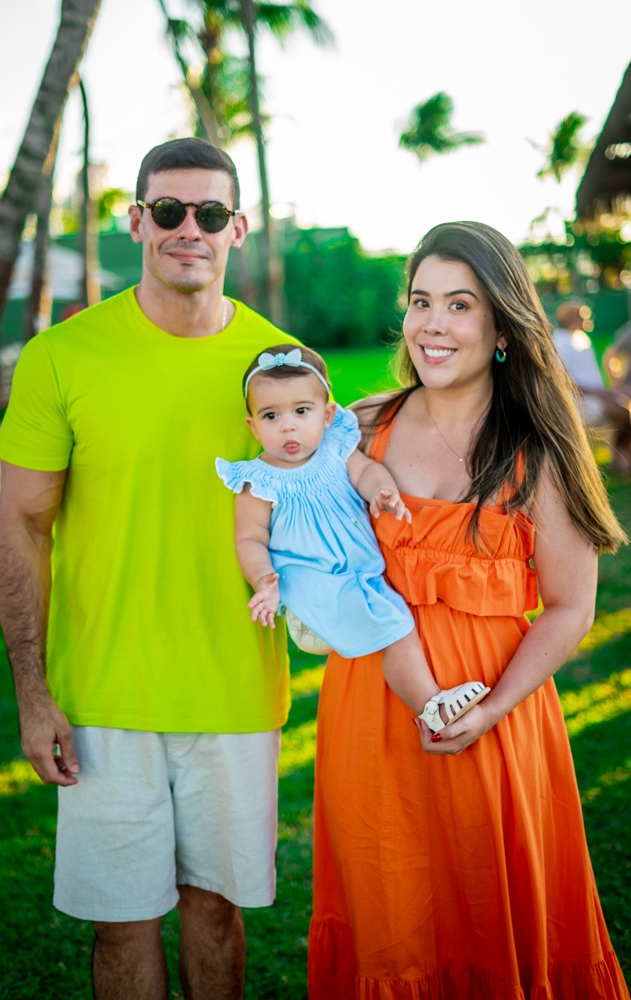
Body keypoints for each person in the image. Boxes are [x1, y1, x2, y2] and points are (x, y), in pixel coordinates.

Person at [0, 138, 300, 1000]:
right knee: (120, 923)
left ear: (237, 227)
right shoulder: (64, 355)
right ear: (136, 221)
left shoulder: (282, 367)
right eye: (167, 211)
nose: (187, 229)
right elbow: (21, 526)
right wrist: (32, 690)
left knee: (215, 914)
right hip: (102, 698)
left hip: (234, 692)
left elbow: (322, 512)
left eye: (208, 213)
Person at [308, 222, 630, 999]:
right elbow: (304, 542)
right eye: (421, 301)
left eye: (459, 304)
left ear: (499, 327)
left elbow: (568, 607)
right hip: (370, 714)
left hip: (495, 715)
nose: (432, 324)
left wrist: (489, 710)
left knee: (488, 912)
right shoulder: (359, 428)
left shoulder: (538, 448)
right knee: (391, 922)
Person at [215, 343, 490, 731]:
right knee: (396, 627)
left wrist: (383, 491)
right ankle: (432, 707)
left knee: (392, 617)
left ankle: (319, 626)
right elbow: (249, 538)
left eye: (301, 411)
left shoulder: (334, 449)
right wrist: (263, 580)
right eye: (271, 416)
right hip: (309, 576)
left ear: (328, 415)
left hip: (358, 570)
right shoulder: (258, 481)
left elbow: (366, 473)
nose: (288, 425)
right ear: (253, 425)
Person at [553, 300, 631, 473]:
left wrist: (607, 392)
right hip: (578, 400)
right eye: (584, 317)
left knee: (625, 407)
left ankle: (618, 454)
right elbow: (563, 381)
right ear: (573, 319)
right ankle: (619, 458)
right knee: (623, 413)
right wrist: (599, 393)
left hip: (596, 395)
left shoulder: (582, 339)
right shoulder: (559, 341)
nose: (589, 320)